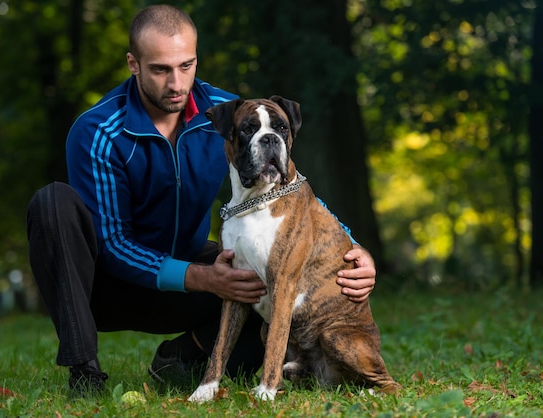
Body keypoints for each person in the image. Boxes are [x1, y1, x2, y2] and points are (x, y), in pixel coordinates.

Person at [26, 4, 377, 396]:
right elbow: (112, 245)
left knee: (264, 304)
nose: (177, 82)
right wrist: (200, 276)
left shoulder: (228, 116)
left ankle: (181, 358)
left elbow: (293, 185)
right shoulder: (97, 131)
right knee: (52, 203)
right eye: (160, 69)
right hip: (106, 288)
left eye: (186, 65)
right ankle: (84, 373)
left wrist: (352, 244)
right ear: (133, 64)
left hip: (194, 280)